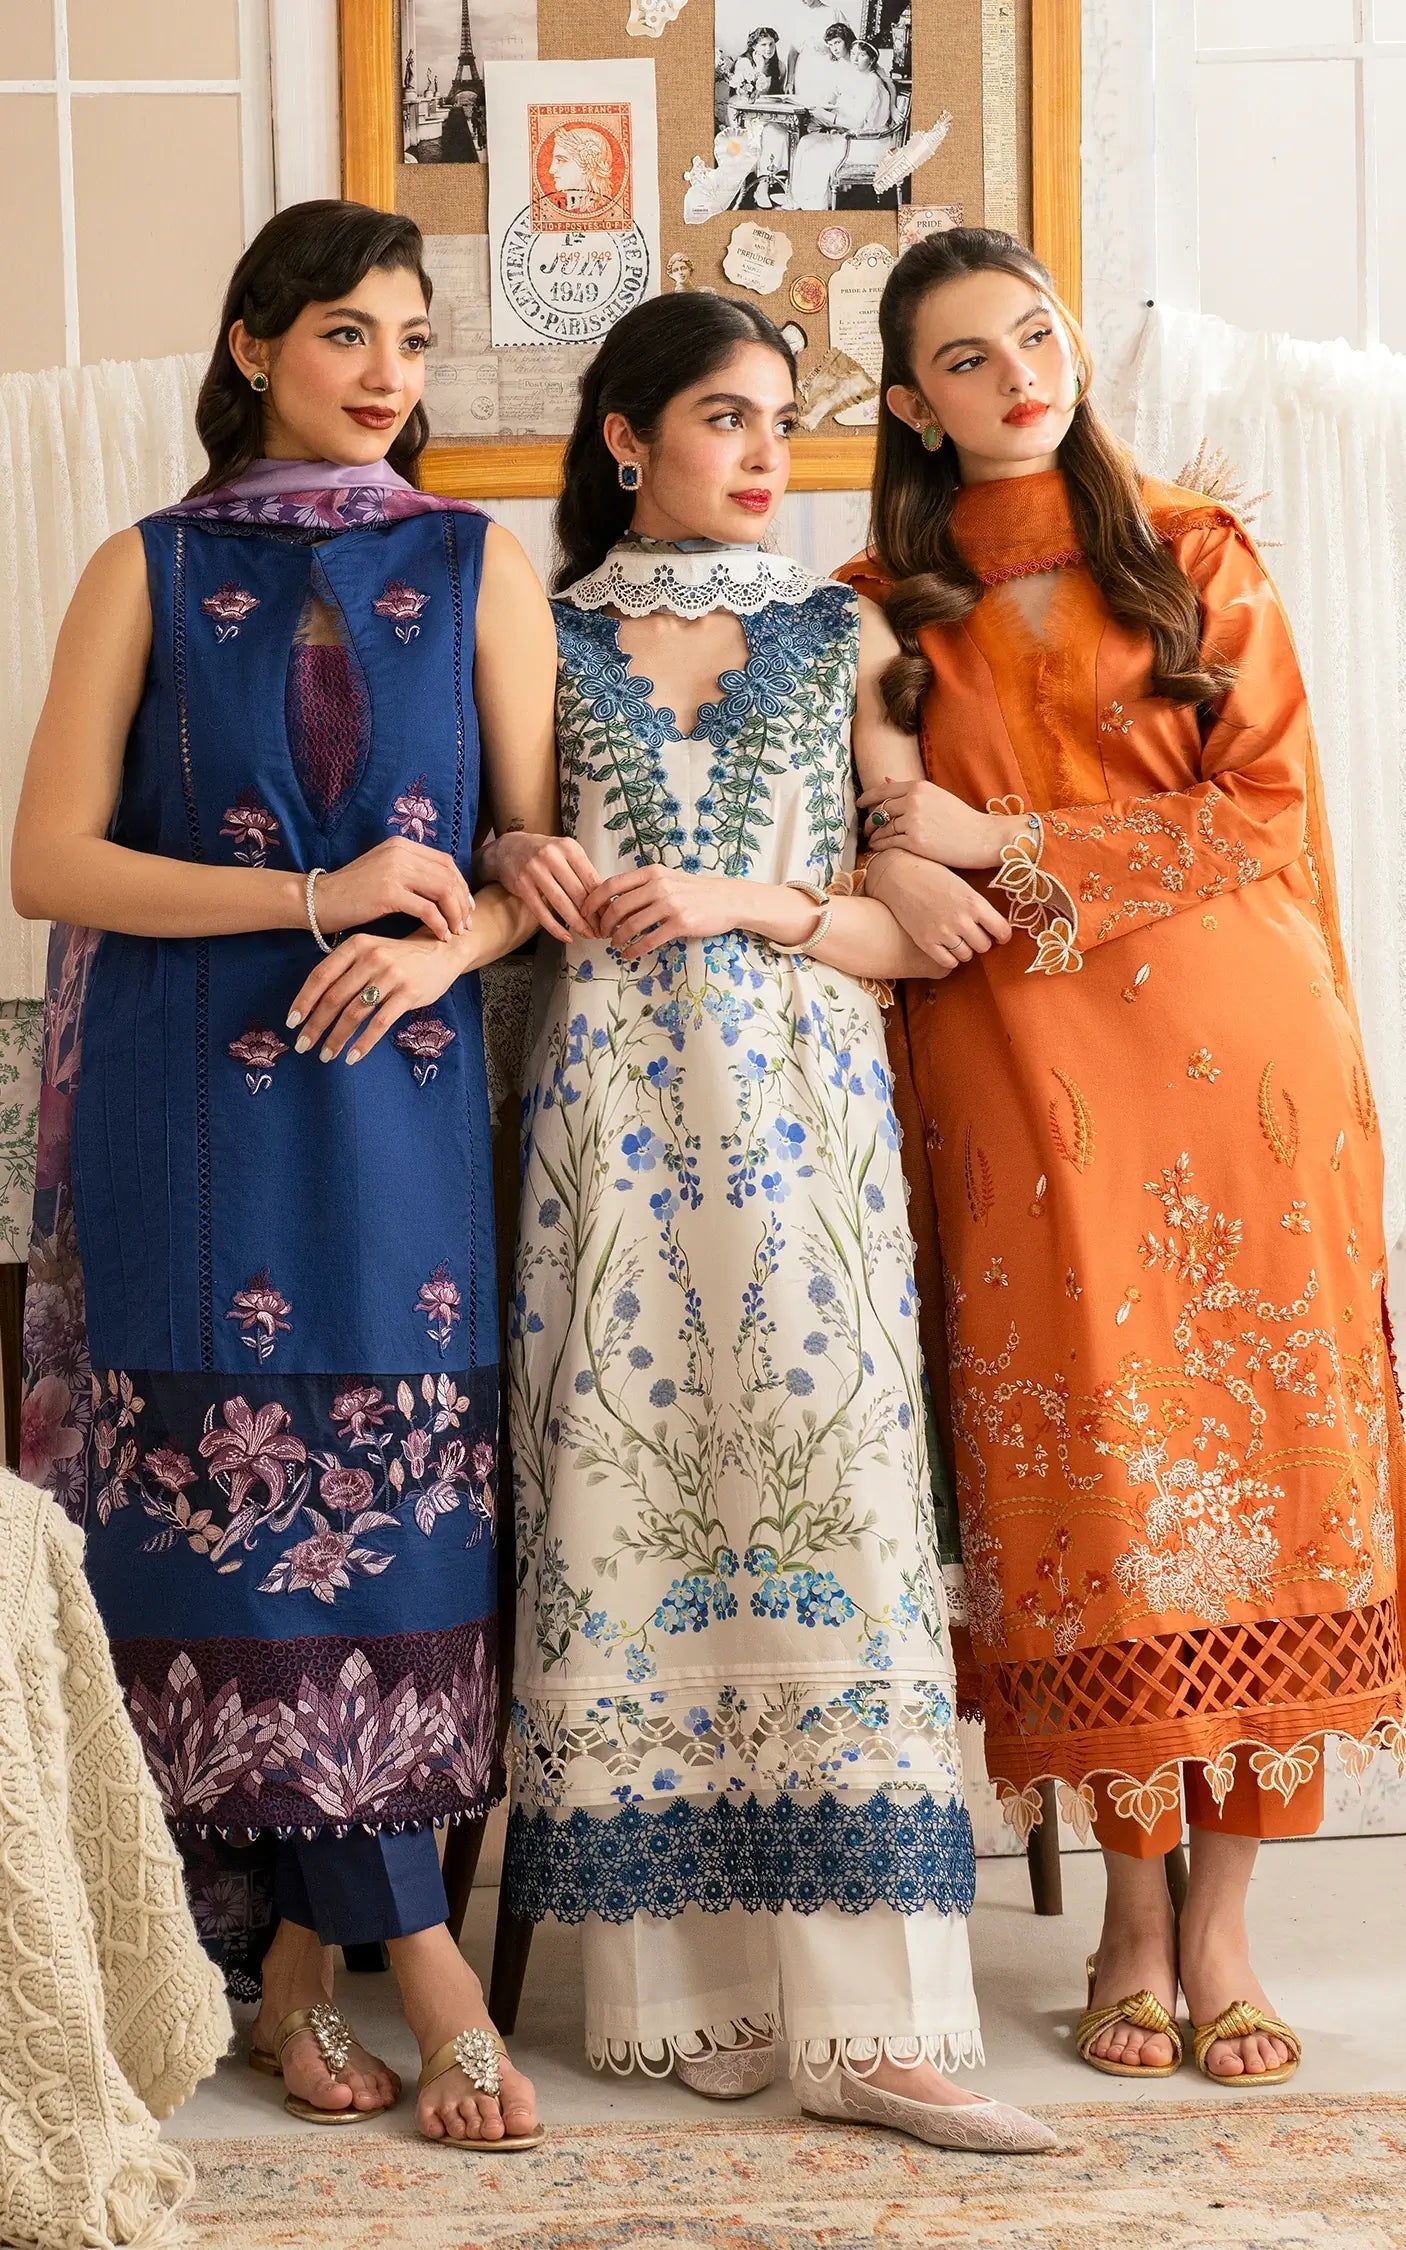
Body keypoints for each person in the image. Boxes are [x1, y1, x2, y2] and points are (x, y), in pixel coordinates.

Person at [479, 291, 1053, 2152]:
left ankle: (877, 2026)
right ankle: (696, 1994)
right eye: (723, 416)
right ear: (625, 435)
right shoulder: (537, 629)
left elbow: (903, 927)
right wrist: (512, 849)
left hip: (806, 1125)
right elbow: (508, 855)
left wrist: (750, 902)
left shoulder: (842, 632)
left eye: (779, 422)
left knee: (834, 1512)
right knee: (643, 1500)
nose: (761, 455)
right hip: (611, 1134)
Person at [837, 227, 1406, 2085]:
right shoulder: (873, 615)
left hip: (1244, 1074)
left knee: (1265, 1461)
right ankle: (1126, 1916)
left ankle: (1219, 1925)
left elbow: (1263, 810)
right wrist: (906, 847)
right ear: (908, 402)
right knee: (1088, 1476)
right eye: (968, 358)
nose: (1019, 376)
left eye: (1036, 335)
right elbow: (851, 837)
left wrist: (1000, 842)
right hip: (1016, 1080)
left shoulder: (1193, 550)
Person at [12, 198, 554, 2151]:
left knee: (391, 1538)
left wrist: (444, 949)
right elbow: (50, 861)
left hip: (395, 1112)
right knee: (216, 1543)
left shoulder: (473, 562)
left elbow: (526, 862)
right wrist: (312, 898)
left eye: (412, 336)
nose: (388, 371)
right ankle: (407, 1977)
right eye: (346, 331)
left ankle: (322, 1975)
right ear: (253, 345)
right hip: (184, 1117)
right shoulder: (146, 567)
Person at [785, 36, 893, 210]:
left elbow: (857, 123)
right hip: (853, 136)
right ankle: (799, 199)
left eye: (862, 55)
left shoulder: (872, 83)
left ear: (872, 60)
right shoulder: (861, 79)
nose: (855, 59)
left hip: (866, 143)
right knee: (806, 141)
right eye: (853, 54)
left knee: (816, 151)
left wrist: (827, 117)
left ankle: (815, 206)